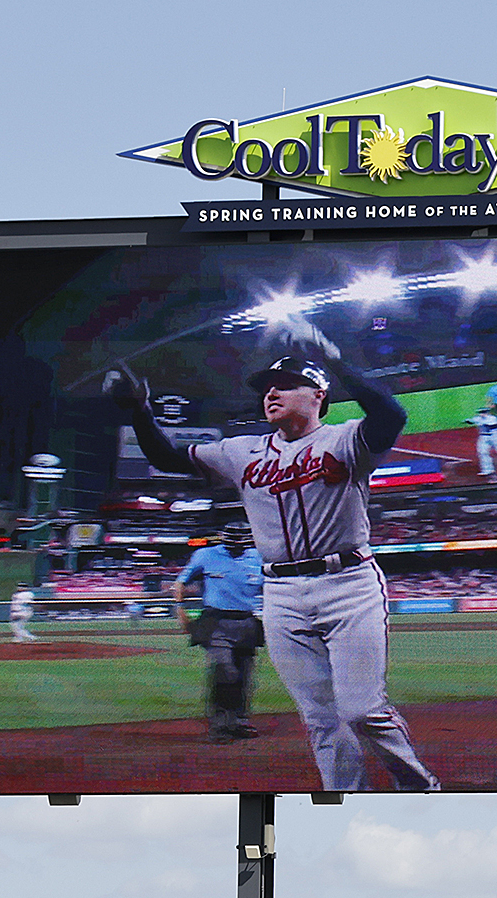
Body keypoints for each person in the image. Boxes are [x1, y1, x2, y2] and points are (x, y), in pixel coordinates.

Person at [105, 327, 438, 792]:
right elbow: (167, 457)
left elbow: (391, 414)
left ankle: (420, 788)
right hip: (279, 593)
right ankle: (348, 799)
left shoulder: (346, 440)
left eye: (284, 384)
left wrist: (334, 358)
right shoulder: (241, 452)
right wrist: (140, 411)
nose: (271, 393)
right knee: (321, 719)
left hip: (348, 584)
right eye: (265, 388)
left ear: (319, 395)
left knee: (361, 709)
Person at [174, 519, 266, 742]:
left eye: (240, 543)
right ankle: (219, 725)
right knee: (225, 672)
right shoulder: (206, 555)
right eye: (232, 543)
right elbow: (181, 583)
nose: (236, 547)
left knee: (244, 674)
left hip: (248, 621)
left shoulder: (259, 557)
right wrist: (180, 608)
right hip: (216, 620)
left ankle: (239, 721)